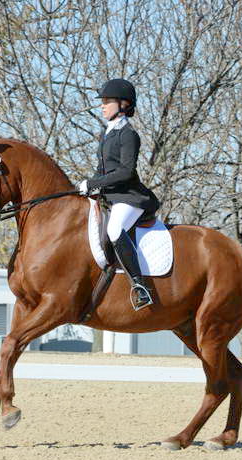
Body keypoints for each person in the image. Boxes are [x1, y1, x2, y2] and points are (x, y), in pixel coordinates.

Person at [78, 78, 160, 310]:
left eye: (106, 102)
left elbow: (126, 172)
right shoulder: (108, 133)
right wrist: (90, 187)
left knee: (115, 229)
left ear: (123, 104)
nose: (102, 106)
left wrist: (94, 182)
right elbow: (102, 168)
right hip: (110, 195)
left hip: (130, 196)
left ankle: (139, 286)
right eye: (102, 102)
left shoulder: (128, 134)